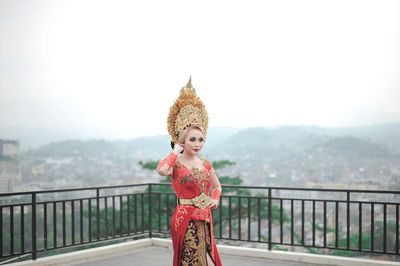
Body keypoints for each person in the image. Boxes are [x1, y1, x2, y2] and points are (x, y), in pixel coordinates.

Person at [157, 78, 222, 266]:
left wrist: (215, 198)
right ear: (182, 140)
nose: (197, 144)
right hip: (185, 218)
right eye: (192, 139)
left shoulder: (206, 164)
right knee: (191, 259)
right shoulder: (175, 164)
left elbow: (217, 186)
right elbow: (161, 170)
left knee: (208, 256)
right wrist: (174, 152)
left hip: (204, 217)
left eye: (201, 140)